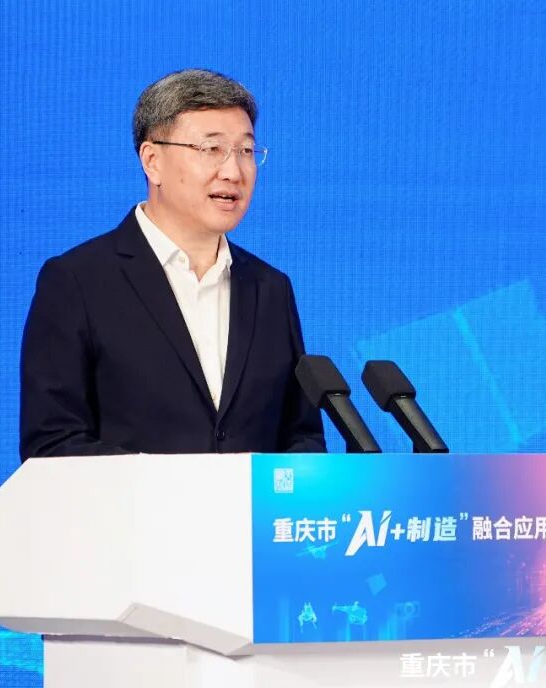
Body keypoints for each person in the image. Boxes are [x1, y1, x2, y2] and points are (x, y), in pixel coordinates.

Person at [19, 69, 325, 460]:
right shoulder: (78, 281)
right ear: (152, 161)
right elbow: (52, 445)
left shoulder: (270, 289)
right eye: (211, 149)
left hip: (248, 505)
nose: (233, 171)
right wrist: (168, 487)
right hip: (128, 504)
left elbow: (301, 437)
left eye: (246, 151)